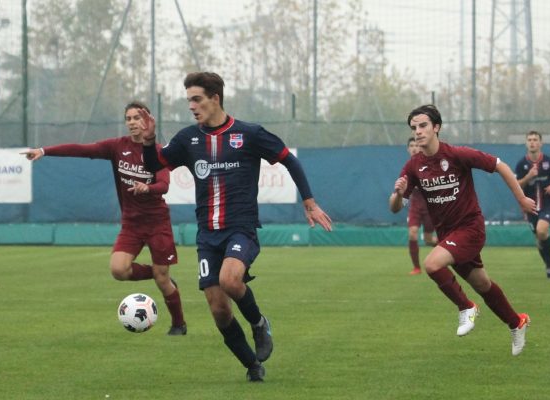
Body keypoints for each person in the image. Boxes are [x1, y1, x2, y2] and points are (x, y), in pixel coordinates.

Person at [139, 72, 332, 382]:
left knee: (230, 281)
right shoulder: (188, 139)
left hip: (240, 228)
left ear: (215, 98)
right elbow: (154, 165)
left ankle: (259, 324)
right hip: (207, 235)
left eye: (197, 99)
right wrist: (149, 142)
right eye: (188, 99)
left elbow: (289, 160)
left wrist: (308, 201)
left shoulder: (249, 133)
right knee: (218, 309)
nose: (191, 105)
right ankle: (251, 365)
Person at [21, 101, 187, 335]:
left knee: (162, 282)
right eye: (128, 118)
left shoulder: (158, 152)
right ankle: (161, 274)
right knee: (119, 270)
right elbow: (81, 149)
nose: (131, 122)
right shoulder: (117, 147)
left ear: (147, 120)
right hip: (131, 223)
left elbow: (164, 185)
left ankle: (178, 324)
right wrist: (44, 150)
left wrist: (147, 188)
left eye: (136, 118)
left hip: (157, 222)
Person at [389, 104, 535, 356]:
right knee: (483, 284)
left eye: (423, 126)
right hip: (448, 235)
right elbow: (395, 207)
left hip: (470, 228)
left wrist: (521, 199)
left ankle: (466, 307)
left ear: (437, 127)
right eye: (414, 128)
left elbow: (499, 164)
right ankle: (516, 322)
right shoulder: (413, 166)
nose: (418, 132)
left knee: (433, 264)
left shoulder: (457, 155)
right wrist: (398, 193)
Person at [515, 130, 550, 279]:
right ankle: (549, 265)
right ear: (526, 143)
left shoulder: (549, 161)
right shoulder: (522, 164)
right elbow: (516, 185)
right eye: (529, 139)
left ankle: (549, 265)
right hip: (530, 206)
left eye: (535, 139)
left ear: (541, 143)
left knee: (542, 230)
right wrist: (528, 176)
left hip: (548, 201)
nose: (532, 142)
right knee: (539, 238)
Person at [404, 137, 437, 275]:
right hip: (415, 206)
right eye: (411, 145)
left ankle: (448, 250)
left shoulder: (429, 163)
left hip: (430, 206)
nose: (414, 148)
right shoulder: (408, 166)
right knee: (412, 233)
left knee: (429, 240)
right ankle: (417, 268)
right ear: (408, 149)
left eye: (416, 145)